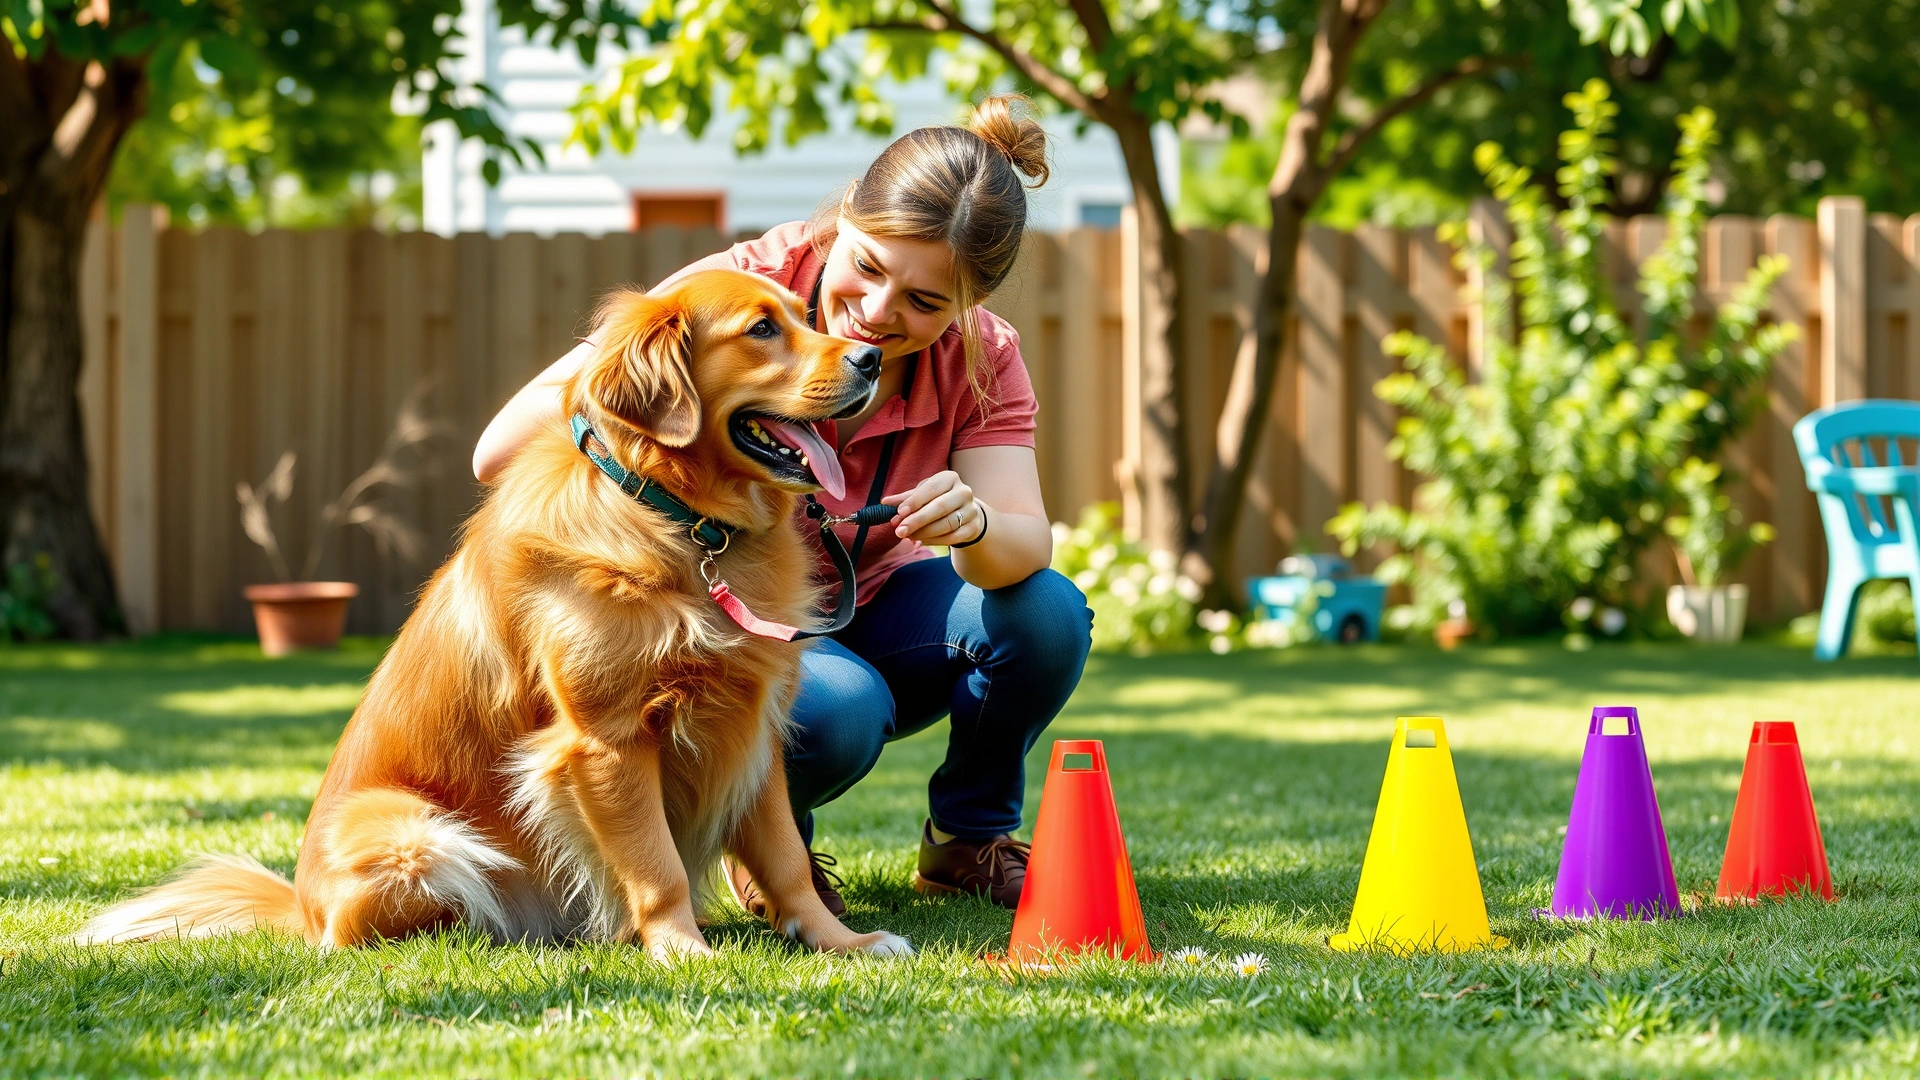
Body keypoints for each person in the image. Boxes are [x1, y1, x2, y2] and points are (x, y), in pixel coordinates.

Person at [473, 95, 1093, 914]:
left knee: (1044, 614)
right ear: (841, 223)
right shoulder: (739, 297)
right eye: (867, 267)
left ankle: (967, 841)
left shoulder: (982, 361)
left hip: (881, 604)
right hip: (736, 624)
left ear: (967, 309)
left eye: (925, 302)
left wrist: (974, 524)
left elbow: (1022, 542)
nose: (877, 315)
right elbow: (499, 451)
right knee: (839, 711)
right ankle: (775, 857)